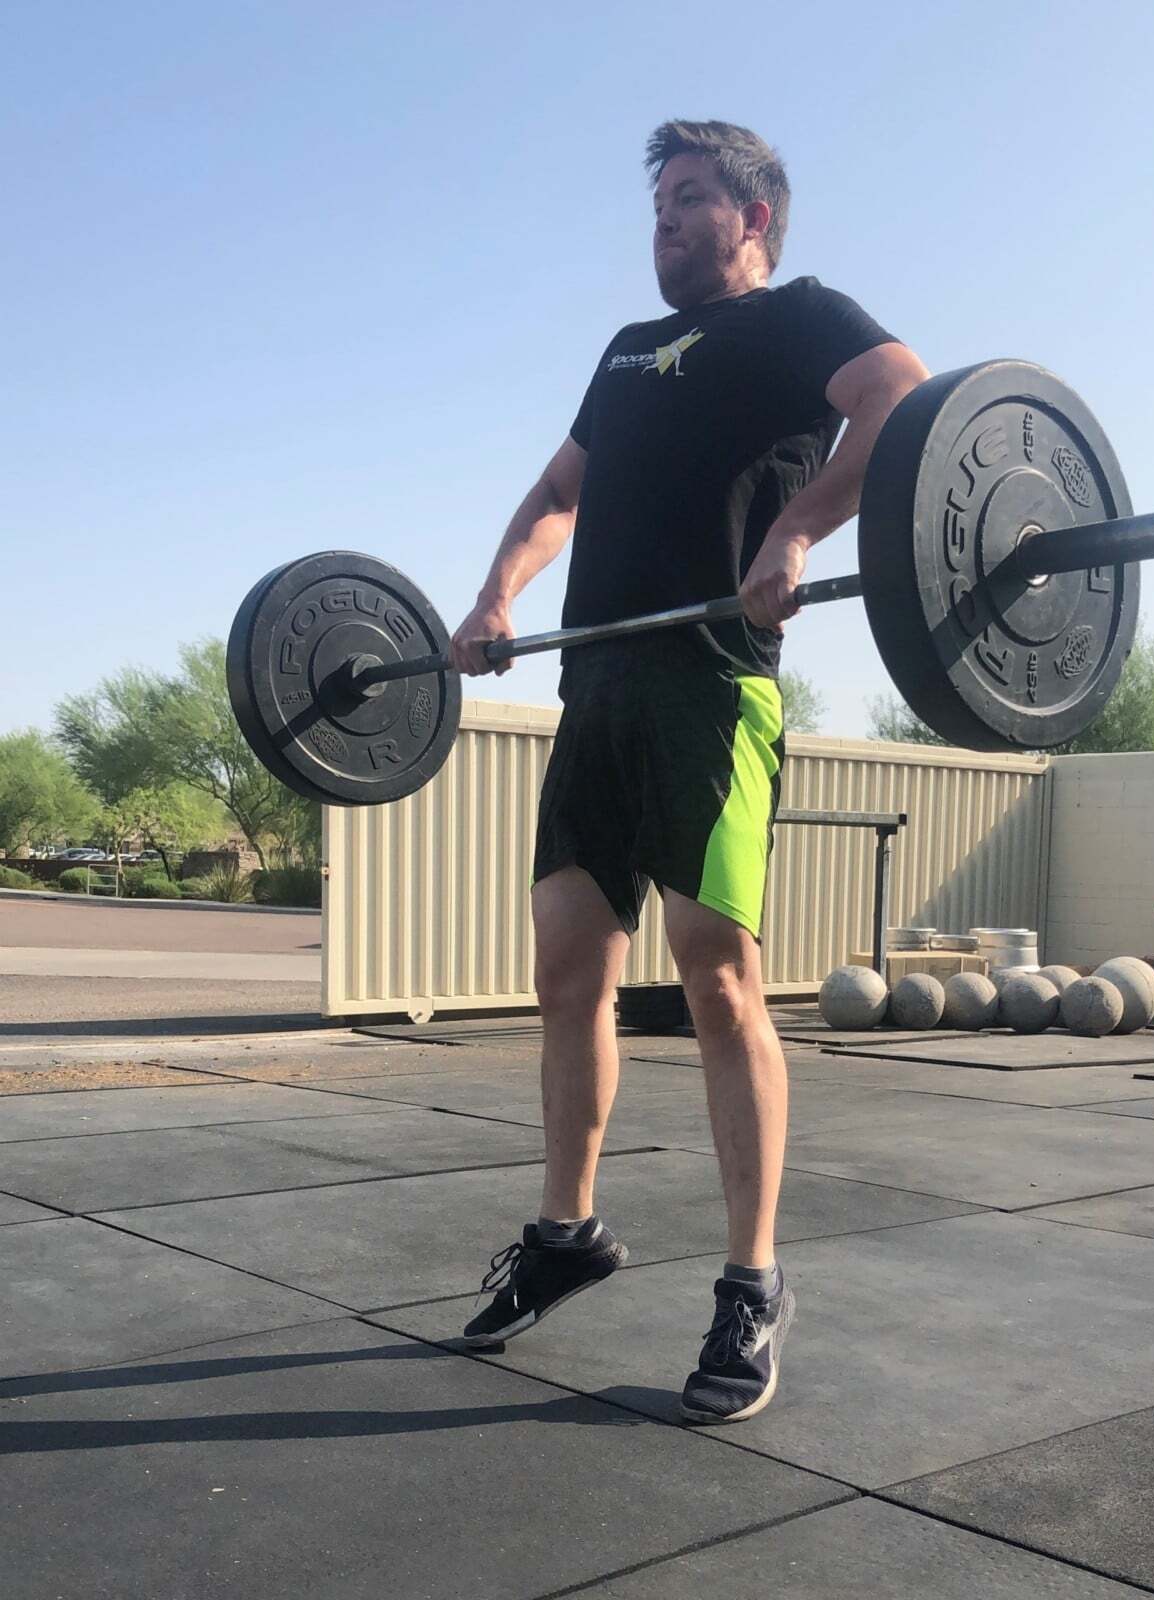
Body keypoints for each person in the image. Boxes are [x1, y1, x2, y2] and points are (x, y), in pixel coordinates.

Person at [449, 120, 929, 1423]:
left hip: (710, 686)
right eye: (657, 199)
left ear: (753, 216)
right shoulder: (624, 352)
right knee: (567, 972)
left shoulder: (797, 317)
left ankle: (751, 1283)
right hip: (596, 690)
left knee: (715, 972)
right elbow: (559, 493)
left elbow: (901, 396)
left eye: (690, 195)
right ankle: (566, 1234)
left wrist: (797, 530)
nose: (663, 217)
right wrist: (495, 596)